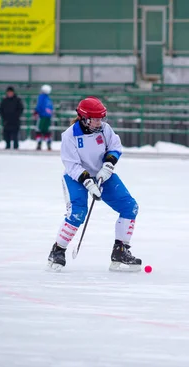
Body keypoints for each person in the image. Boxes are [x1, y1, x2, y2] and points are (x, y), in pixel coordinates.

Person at [47, 97, 143, 273]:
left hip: (102, 174)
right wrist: (88, 182)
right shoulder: (69, 136)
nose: (100, 122)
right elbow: (71, 164)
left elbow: (115, 147)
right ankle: (57, 251)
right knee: (78, 213)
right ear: (84, 118)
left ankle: (120, 251)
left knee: (130, 207)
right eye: (96, 119)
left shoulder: (104, 129)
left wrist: (108, 165)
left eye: (101, 118)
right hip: (75, 177)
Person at [34, 84, 54, 151]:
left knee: (39, 130)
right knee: (46, 131)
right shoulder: (48, 99)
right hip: (48, 117)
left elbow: (39, 105)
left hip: (42, 116)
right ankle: (48, 144)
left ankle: (39, 144)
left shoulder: (41, 97)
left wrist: (36, 112)